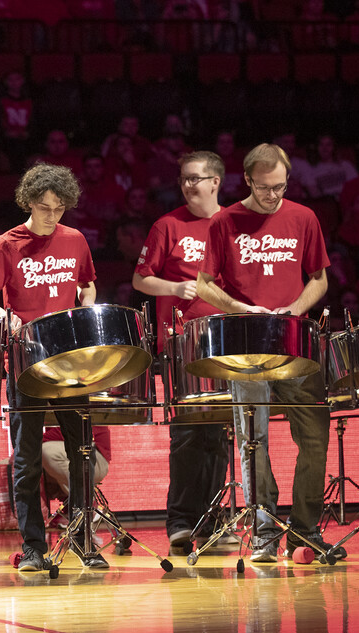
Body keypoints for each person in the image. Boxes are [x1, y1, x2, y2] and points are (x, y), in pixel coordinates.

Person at [195, 143, 336, 563]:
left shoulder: (303, 217)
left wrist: (291, 313)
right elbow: (204, 284)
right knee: (253, 442)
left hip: (295, 343)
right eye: (265, 187)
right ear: (248, 180)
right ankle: (263, 533)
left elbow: (320, 279)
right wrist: (244, 310)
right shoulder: (225, 221)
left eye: (280, 187)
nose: (274, 195)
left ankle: (306, 532)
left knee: (314, 439)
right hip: (248, 348)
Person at [0, 163, 101, 571]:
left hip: (71, 362)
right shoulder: (7, 244)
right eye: (44, 207)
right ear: (28, 202)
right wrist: (2, 314)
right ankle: (33, 547)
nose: (52, 216)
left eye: (59, 209)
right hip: (26, 361)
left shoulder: (76, 240)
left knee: (82, 451)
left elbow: (88, 283)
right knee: (25, 459)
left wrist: (87, 305)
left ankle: (82, 539)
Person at [132, 151, 232, 554]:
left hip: (225, 343)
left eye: (197, 178)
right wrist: (173, 288)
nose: (189, 185)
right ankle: (180, 522)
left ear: (216, 182)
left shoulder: (235, 226)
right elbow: (140, 280)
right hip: (181, 344)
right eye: (184, 179)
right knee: (188, 434)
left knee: (220, 437)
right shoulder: (167, 226)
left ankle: (211, 521)